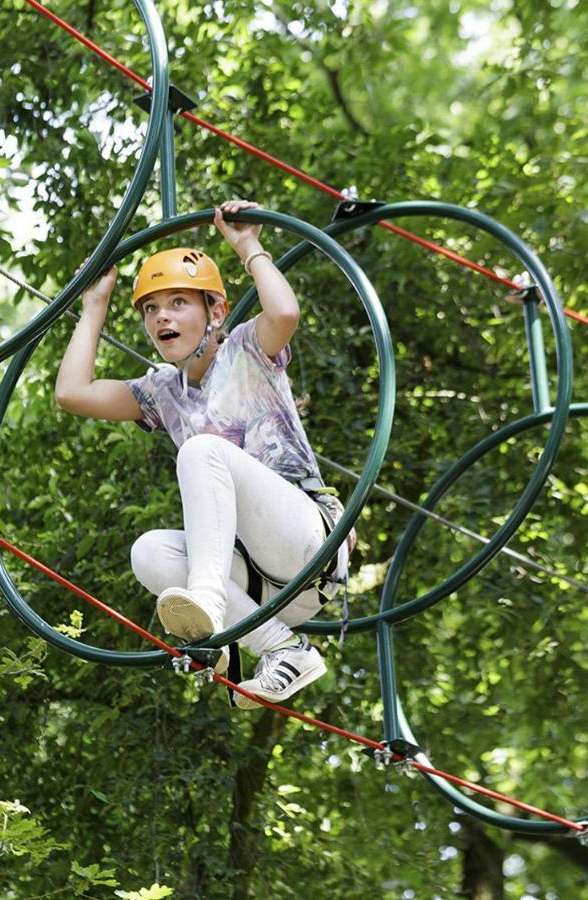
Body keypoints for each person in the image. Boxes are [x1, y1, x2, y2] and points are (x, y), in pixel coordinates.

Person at [54, 199, 350, 710]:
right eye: (151, 308)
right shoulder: (161, 392)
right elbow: (73, 393)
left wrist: (247, 244)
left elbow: (284, 311)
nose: (161, 316)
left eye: (177, 302)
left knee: (200, 452)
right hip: (257, 584)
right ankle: (281, 646)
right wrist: (93, 305)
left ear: (214, 312)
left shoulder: (245, 349)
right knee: (148, 552)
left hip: (308, 544)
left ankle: (210, 607)